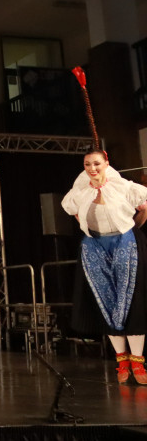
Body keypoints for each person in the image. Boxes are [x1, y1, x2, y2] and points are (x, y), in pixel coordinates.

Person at [62, 149, 147, 383]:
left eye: (97, 163)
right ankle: (121, 360)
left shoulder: (124, 187)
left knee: (130, 299)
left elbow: (143, 209)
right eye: (88, 164)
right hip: (95, 245)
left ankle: (138, 362)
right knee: (106, 299)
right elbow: (77, 215)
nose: (93, 168)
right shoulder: (79, 193)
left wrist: (132, 232)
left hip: (124, 240)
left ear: (106, 163)